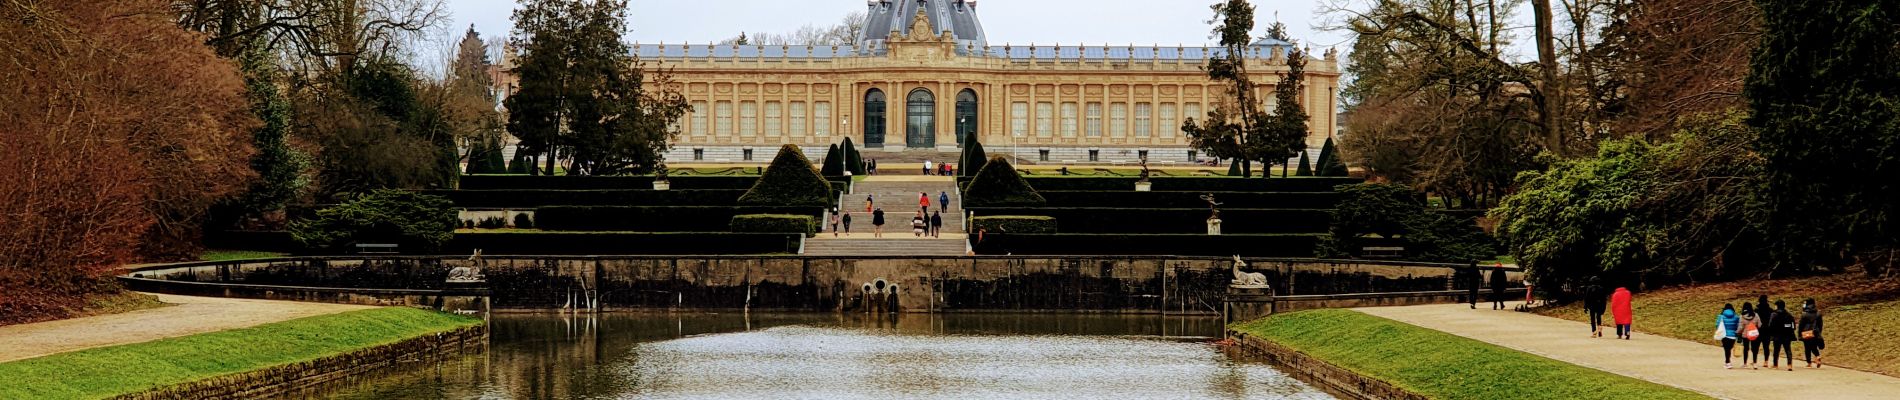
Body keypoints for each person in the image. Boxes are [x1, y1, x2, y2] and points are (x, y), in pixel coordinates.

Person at [1798, 298, 1824, 369]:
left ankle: (1809, 363)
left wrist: (1799, 334)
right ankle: (1818, 356)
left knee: (1807, 348)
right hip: (1816, 332)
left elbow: (1801, 325)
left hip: (1806, 332)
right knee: (1814, 346)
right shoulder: (1818, 313)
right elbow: (1820, 325)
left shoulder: (1804, 314)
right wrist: (1819, 332)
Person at [1770, 299, 1795, 370]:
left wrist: (1772, 332)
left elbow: (1770, 325)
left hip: (1777, 335)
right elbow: (1793, 325)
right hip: (1787, 335)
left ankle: (1775, 365)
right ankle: (1789, 365)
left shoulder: (1774, 314)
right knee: (1788, 350)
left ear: (1777, 306)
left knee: (1776, 350)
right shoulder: (1789, 314)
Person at [1739, 303, 1762, 368]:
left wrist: (1738, 333)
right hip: (1753, 334)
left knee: (1746, 349)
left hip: (1745, 334)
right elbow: (1760, 325)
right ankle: (1755, 363)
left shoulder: (1742, 316)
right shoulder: (1756, 315)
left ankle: (1745, 363)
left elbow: (1740, 327)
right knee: (1754, 348)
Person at [1718, 304, 1740, 368]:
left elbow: (1717, 325)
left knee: (1726, 349)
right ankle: (1728, 361)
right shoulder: (1736, 317)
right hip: (1733, 335)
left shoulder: (1721, 316)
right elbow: (1737, 326)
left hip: (1724, 334)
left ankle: (1727, 362)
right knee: (1729, 348)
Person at [1755, 295, 1773, 368]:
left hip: (1758, 330)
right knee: (1766, 347)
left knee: (1756, 346)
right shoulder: (1770, 310)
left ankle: (1755, 361)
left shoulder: (1756, 310)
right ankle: (1766, 361)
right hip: (1767, 330)